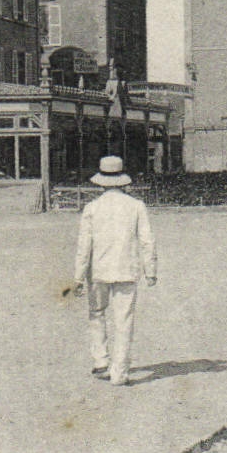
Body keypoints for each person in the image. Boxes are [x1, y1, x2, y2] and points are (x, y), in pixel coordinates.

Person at [72, 156, 157, 387]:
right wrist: (150, 270)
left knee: (96, 313)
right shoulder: (136, 206)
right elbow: (147, 241)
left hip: (98, 270)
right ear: (123, 181)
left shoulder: (92, 208)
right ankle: (120, 372)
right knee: (124, 319)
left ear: (100, 182)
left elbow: (84, 246)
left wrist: (78, 277)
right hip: (127, 269)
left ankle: (101, 361)